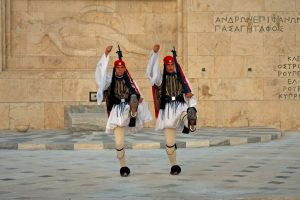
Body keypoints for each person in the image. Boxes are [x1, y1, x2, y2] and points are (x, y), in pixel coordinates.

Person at [95, 45, 152, 177]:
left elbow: (138, 92)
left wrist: (139, 98)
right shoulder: (110, 81)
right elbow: (101, 72)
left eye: (122, 67)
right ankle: (123, 167)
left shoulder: (130, 81)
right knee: (119, 143)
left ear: (125, 68)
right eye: (118, 68)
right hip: (117, 112)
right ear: (115, 69)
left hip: (127, 106)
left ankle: (133, 113)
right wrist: (105, 54)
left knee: (133, 98)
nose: (120, 70)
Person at [146, 44, 197, 175]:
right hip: (167, 110)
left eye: (172, 64)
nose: (170, 67)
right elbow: (151, 72)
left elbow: (189, 92)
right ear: (165, 66)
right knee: (169, 143)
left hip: (180, 106)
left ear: (175, 65)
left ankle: (189, 123)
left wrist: (190, 96)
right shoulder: (160, 79)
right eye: (168, 65)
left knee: (186, 113)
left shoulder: (181, 79)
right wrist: (155, 54)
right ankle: (174, 166)